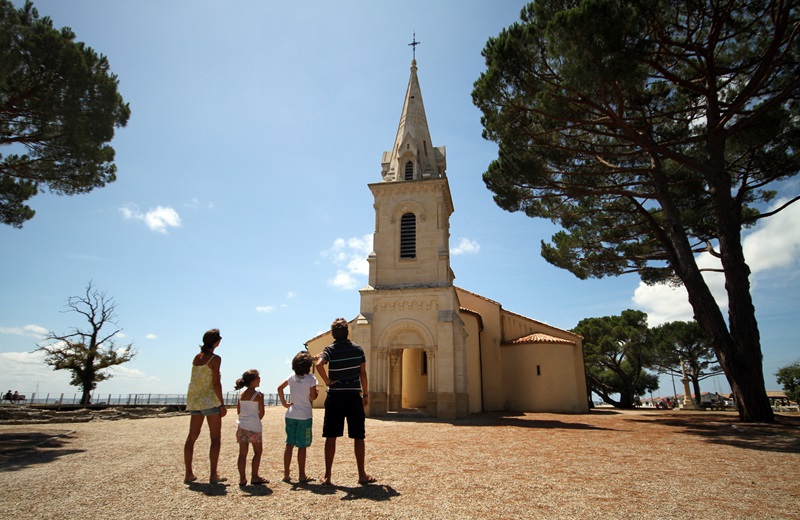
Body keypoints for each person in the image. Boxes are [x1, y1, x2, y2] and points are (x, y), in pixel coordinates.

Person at [315, 318, 376, 486]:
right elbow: (363, 374)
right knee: (358, 436)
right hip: (353, 396)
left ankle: (327, 475)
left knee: (331, 436)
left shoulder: (329, 350)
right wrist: (365, 395)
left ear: (333, 334)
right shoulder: (358, 349)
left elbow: (319, 365)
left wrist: (327, 381)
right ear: (347, 332)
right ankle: (362, 474)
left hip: (335, 396)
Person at [183, 328, 227, 484]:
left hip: (195, 400)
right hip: (209, 400)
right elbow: (216, 383)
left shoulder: (197, 357)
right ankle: (213, 474)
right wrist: (222, 403)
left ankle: (188, 473)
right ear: (217, 342)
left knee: (192, 437)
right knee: (215, 438)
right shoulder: (215, 359)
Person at [277, 351, 319, 483]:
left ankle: (286, 474)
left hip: (291, 414)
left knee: (289, 444)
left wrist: (285, 403)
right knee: (302, 446)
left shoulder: (292, 377)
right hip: (304, 415)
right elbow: (313, 397)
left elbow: (279, 388)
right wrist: (316, 391)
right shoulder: (311, 379)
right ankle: (301, 475)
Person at [234, 369, 267, 486]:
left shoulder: (241, 395)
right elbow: (261, 413)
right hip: (254, 426)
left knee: (242, 453)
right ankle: (254, 476)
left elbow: (239, 411)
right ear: (253, 381)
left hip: (242, 425)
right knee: (257, 452)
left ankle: (242, 478)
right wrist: (255, 419)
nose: (259, 379)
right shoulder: (258, 395)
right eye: (258, 378)